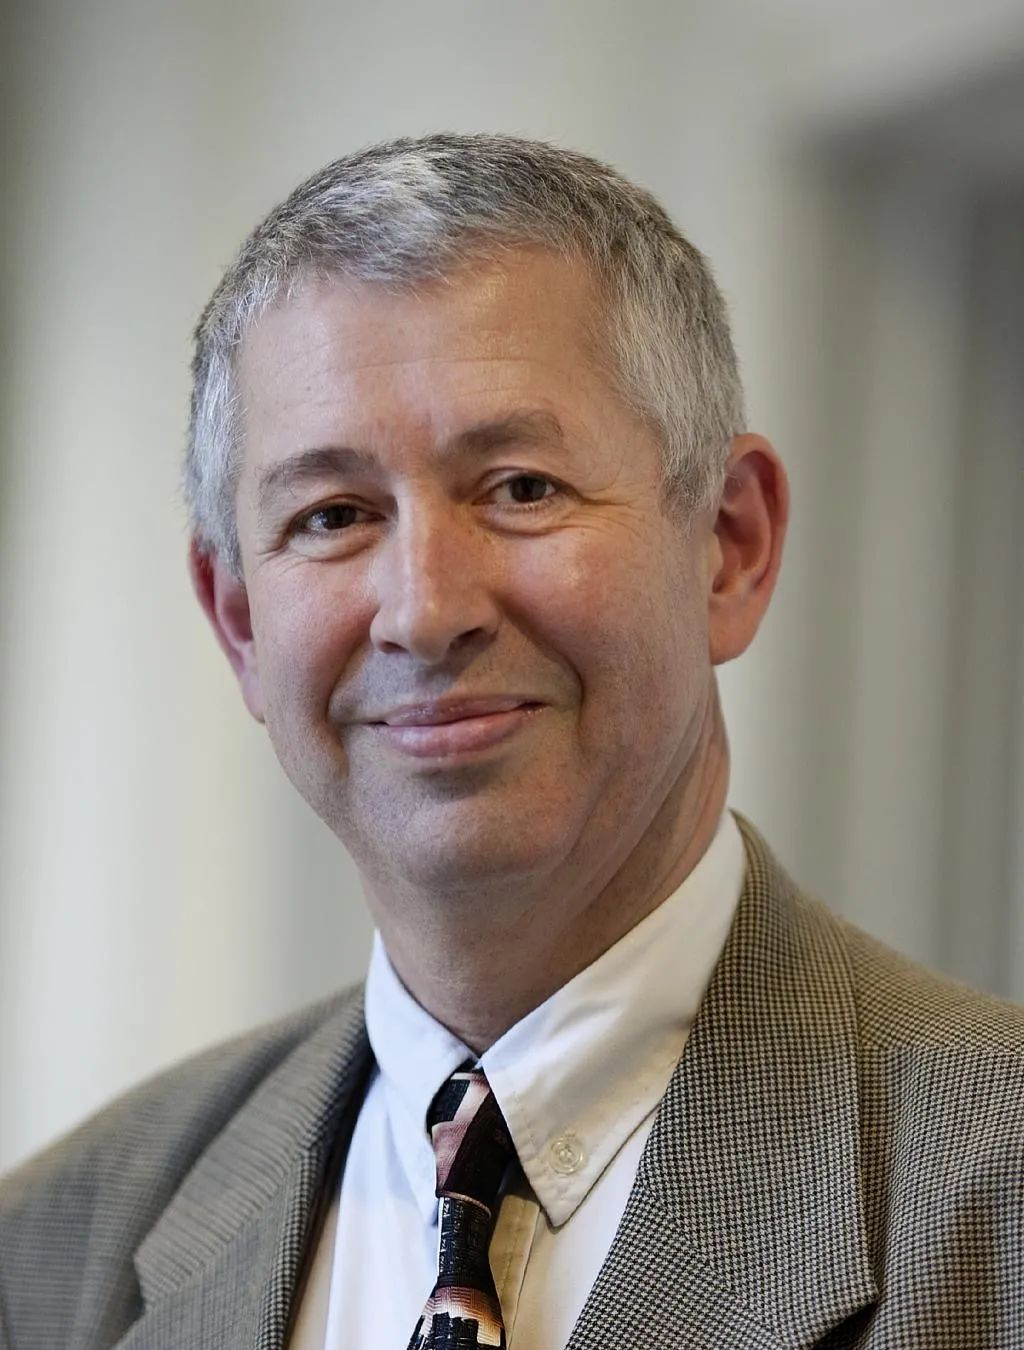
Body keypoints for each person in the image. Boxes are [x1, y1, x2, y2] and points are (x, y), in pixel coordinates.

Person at [1, 133, 1022, 1350]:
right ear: (238, 623)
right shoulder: (46, 1251)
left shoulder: (996, 1189)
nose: (426, 610)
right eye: (333, 515)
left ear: (729, 546)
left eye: (521, 488)